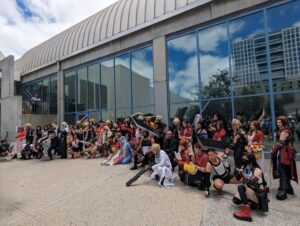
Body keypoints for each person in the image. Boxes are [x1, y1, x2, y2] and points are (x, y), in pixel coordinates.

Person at [232, 153, 268, 222]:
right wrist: (237, 173)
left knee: (241, 187)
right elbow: (238, 178)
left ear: (251, 160)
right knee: (236, 200)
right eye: (243, 159)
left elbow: (250, 181)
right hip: (251, 191)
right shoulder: (245, 167)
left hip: (258, 193)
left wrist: (242, 174)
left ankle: (246, 211)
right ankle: (252, 204)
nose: (243, 161)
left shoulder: (257, 170)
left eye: (245, 159)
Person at [271, 116, 298, 201]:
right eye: (277, 122)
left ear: (284, 122)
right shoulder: (283, 129)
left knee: (282, 171)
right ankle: (288, 188)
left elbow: (280, 142)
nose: (278, 124)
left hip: (284, 153)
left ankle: (283, 190)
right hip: (284, 152)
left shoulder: (285, 130)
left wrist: (273, 151)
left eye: (280, 122)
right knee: (285, 171)